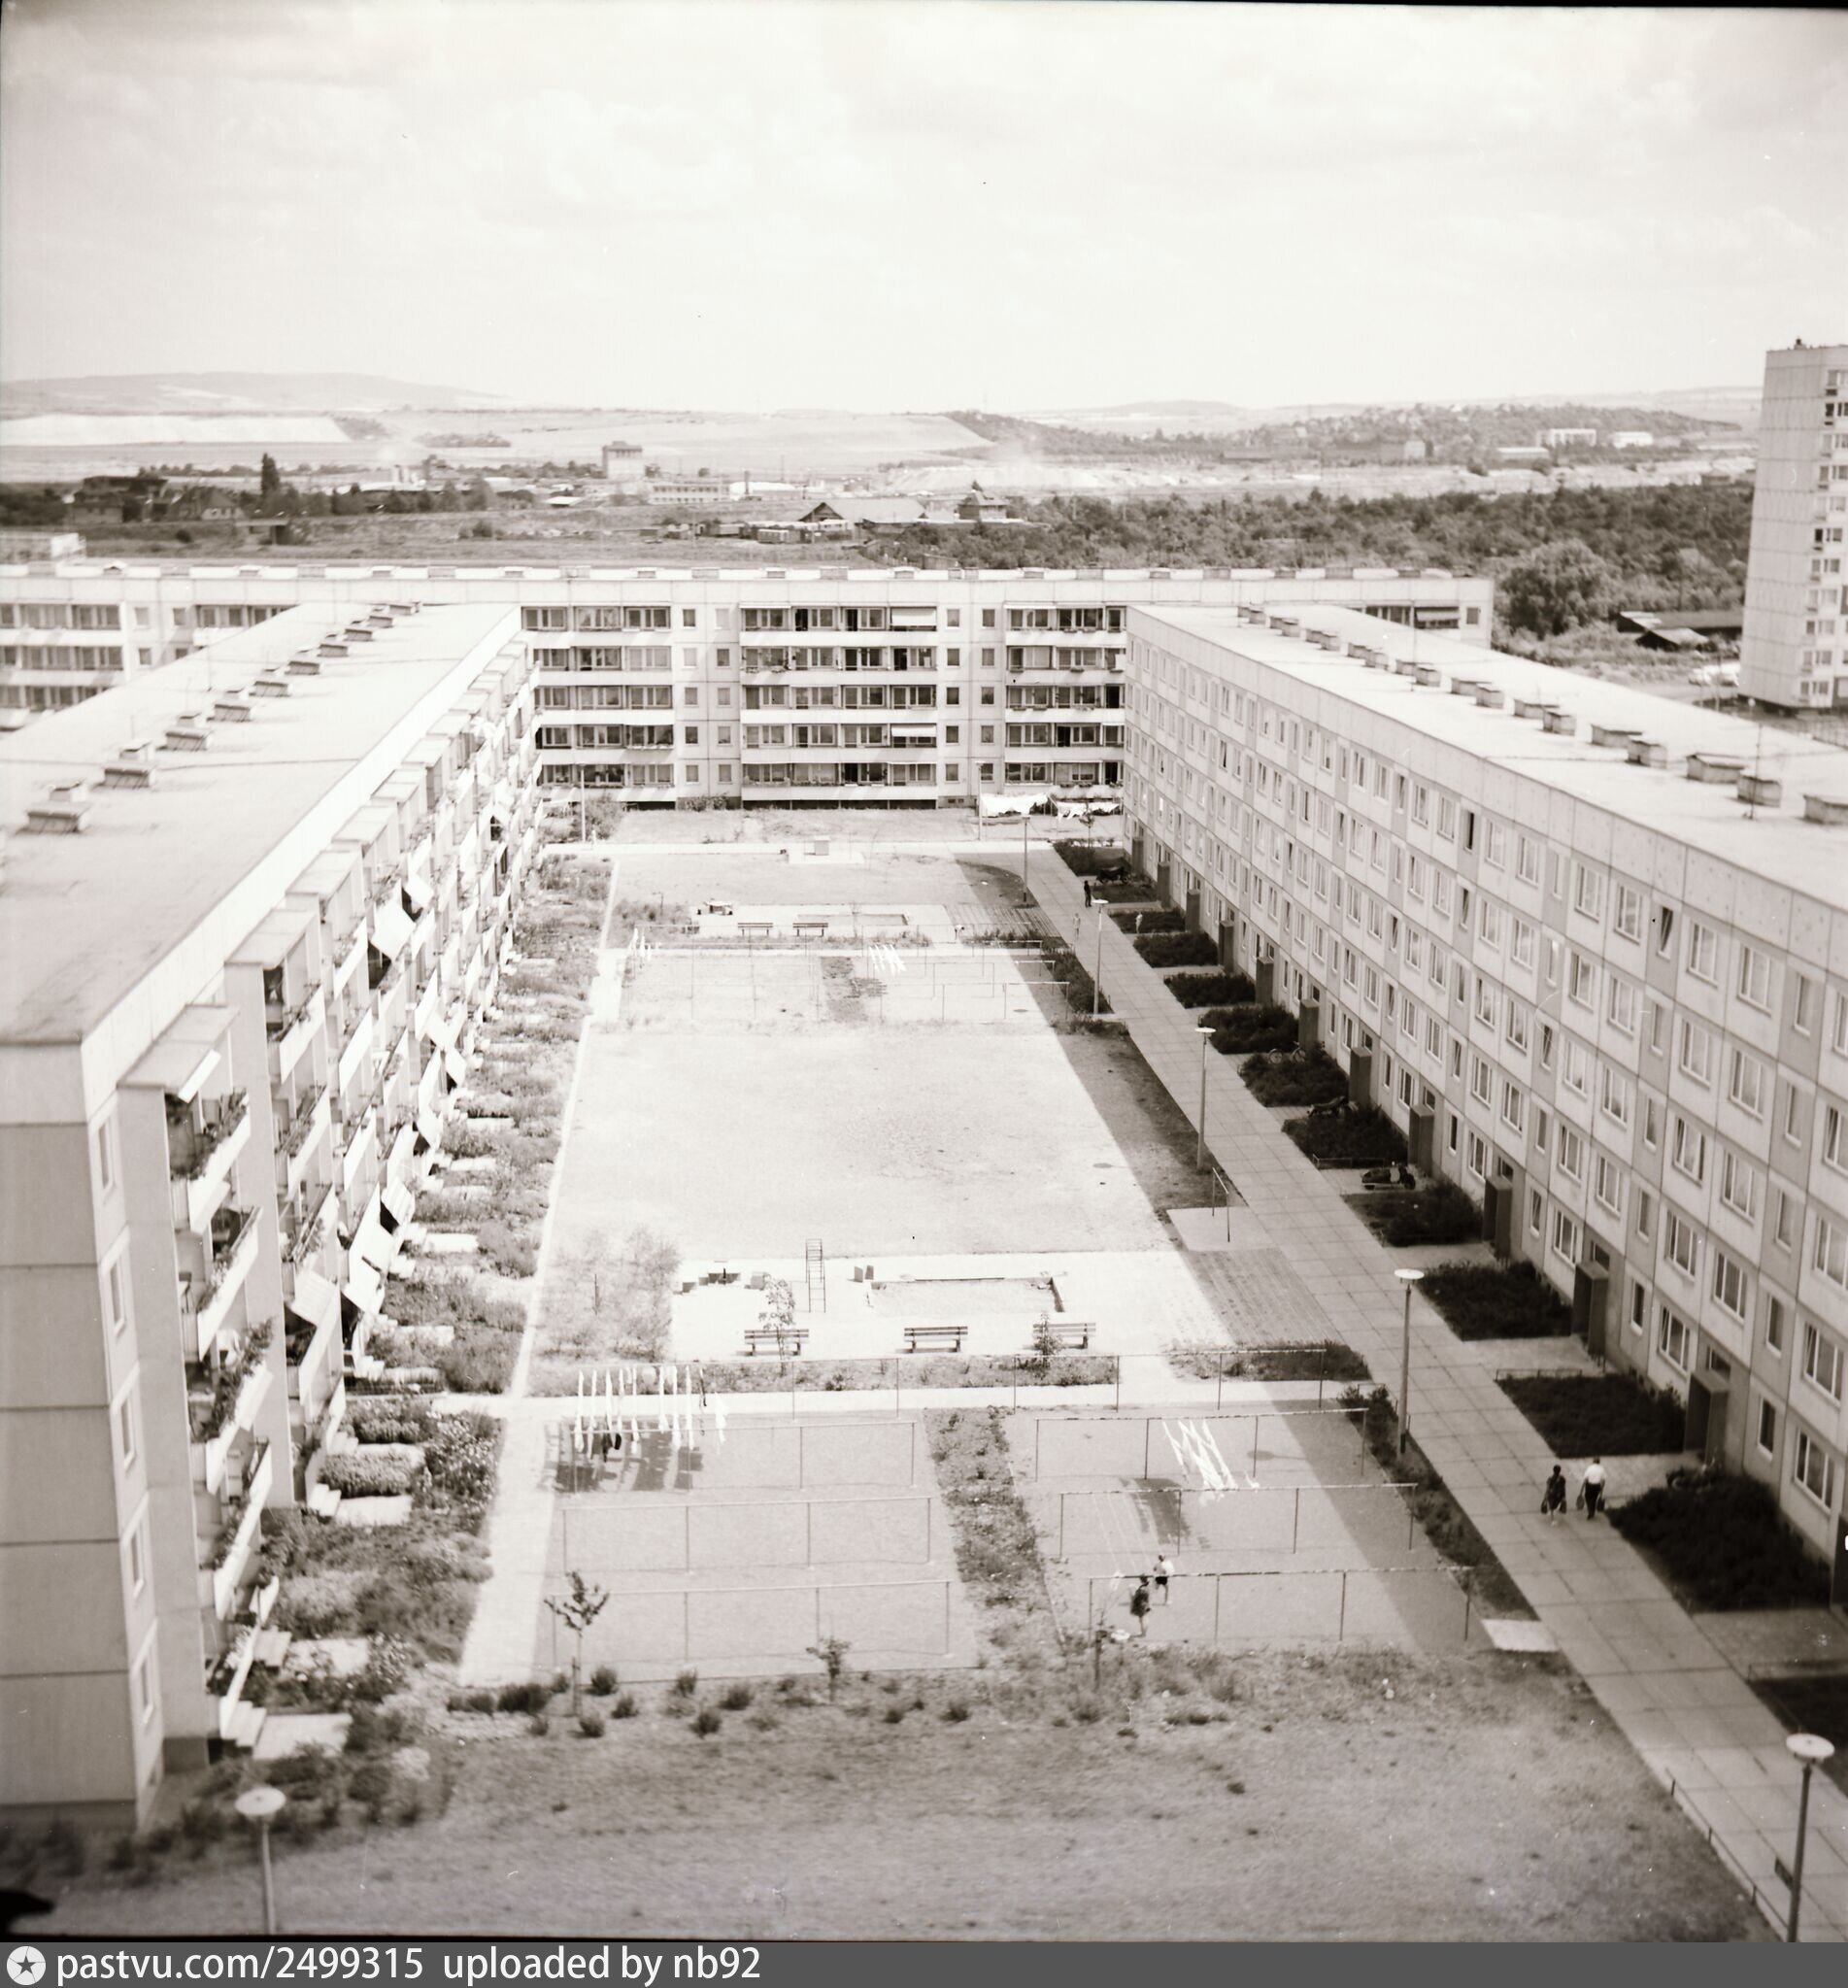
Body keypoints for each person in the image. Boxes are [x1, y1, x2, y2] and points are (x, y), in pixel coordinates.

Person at [1582, 1457, 1607, 1521]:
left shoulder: (1589, 1468)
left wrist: (1582, 1488)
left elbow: (1585, 1479)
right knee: (1594, 1499)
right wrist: (1601, 1490)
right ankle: (1592, 1511)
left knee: (1587, 1498)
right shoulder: (1602, 1469)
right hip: (1597, 1486)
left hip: (1589, 1485)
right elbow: (1603, 1480)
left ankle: (1590, 1510)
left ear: (1593, 1461)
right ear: (1599, 1462)